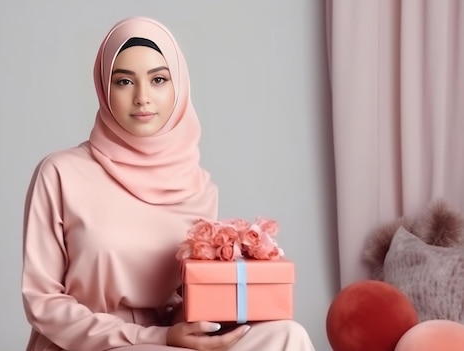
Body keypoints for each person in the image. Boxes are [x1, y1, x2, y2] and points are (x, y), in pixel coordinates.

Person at [21, 16, 316, 351]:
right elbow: (42, 301)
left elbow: (178, 303)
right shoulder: (61, 173)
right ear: (104, 90)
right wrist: (152, 337)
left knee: (287, 336)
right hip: (86, 344)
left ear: (179, 87)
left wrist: (214, 319)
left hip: (169, 343)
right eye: (124, 82)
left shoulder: (198, 187)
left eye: (158, 79)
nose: (143, 98)